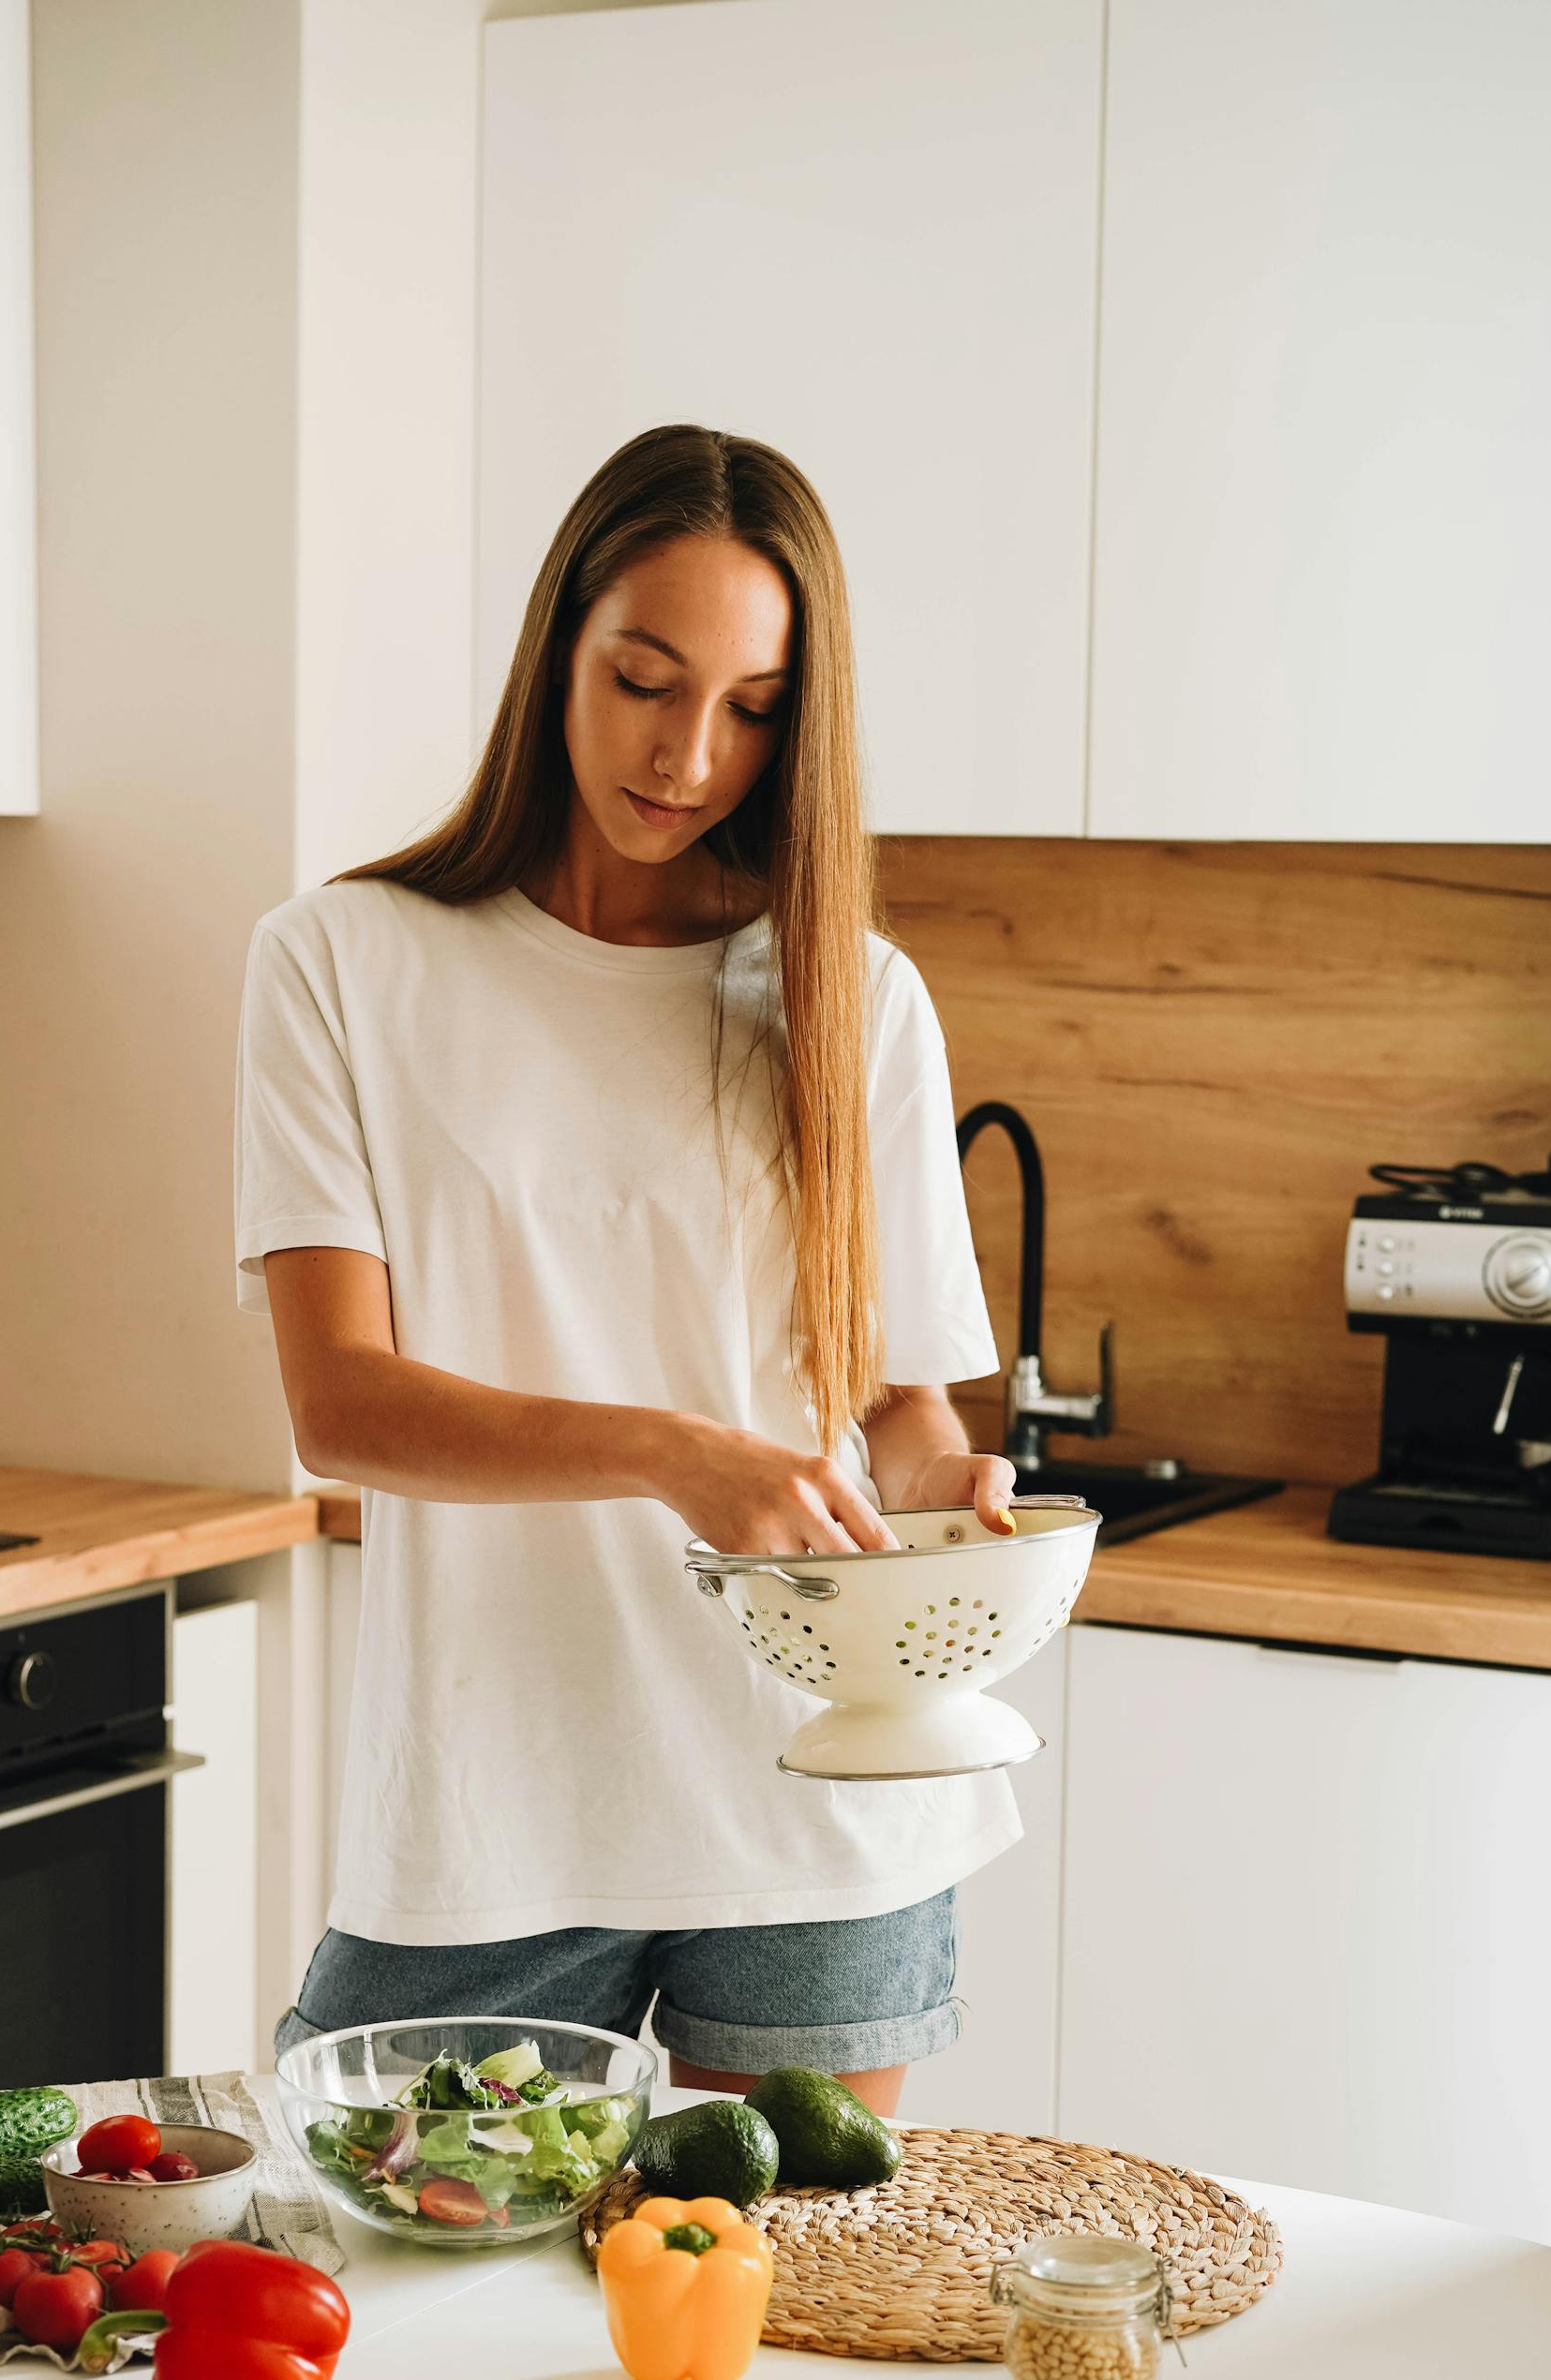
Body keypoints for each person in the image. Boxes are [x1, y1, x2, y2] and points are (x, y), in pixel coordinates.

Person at [234, 423, 1018, 2115]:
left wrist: (957, 1492)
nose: (688, 756)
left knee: (799, 2338)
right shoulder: (343, 964)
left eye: (752, 708)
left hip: (818, 1805)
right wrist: (679, 1456)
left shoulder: (848, 996)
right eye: (645, 681)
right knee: (423, 2335)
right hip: (490, 1811)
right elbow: (340, 1407)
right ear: (557, 655)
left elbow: (894, 1411)